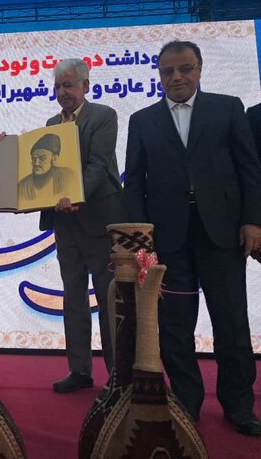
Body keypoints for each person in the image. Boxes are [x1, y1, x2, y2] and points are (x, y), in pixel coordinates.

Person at [124, 40, 261, 435]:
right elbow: (135, 184)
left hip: (223, 233)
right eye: (168, 71)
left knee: (231, 321)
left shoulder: (228, 108)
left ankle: (239, 405)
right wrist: (142, 240)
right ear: (159, 75)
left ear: (199, 70)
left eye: (185, 68)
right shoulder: (143, 120)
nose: (177, 77)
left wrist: (253, 221)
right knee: (174, 328)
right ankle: (187, 403)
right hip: (169, 239)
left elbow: (249, 169)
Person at [36, 58, 123, 393]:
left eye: (69, 85)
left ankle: (118, 374)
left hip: (99, 221)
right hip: (65, 223)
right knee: (72, 297)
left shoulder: (103, 116)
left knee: (108, 297)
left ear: (85, 86)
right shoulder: (50, 124)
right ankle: (79, 370)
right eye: (58, 86)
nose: (63, 92)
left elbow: (98, 166)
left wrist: (74, 195)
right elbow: (45, 174)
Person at [17, 133, 75, 201]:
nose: (36, 163)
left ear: (54, 159)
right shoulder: (23, 186)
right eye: (34, 158)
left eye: (42, 158)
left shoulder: (67, 177)